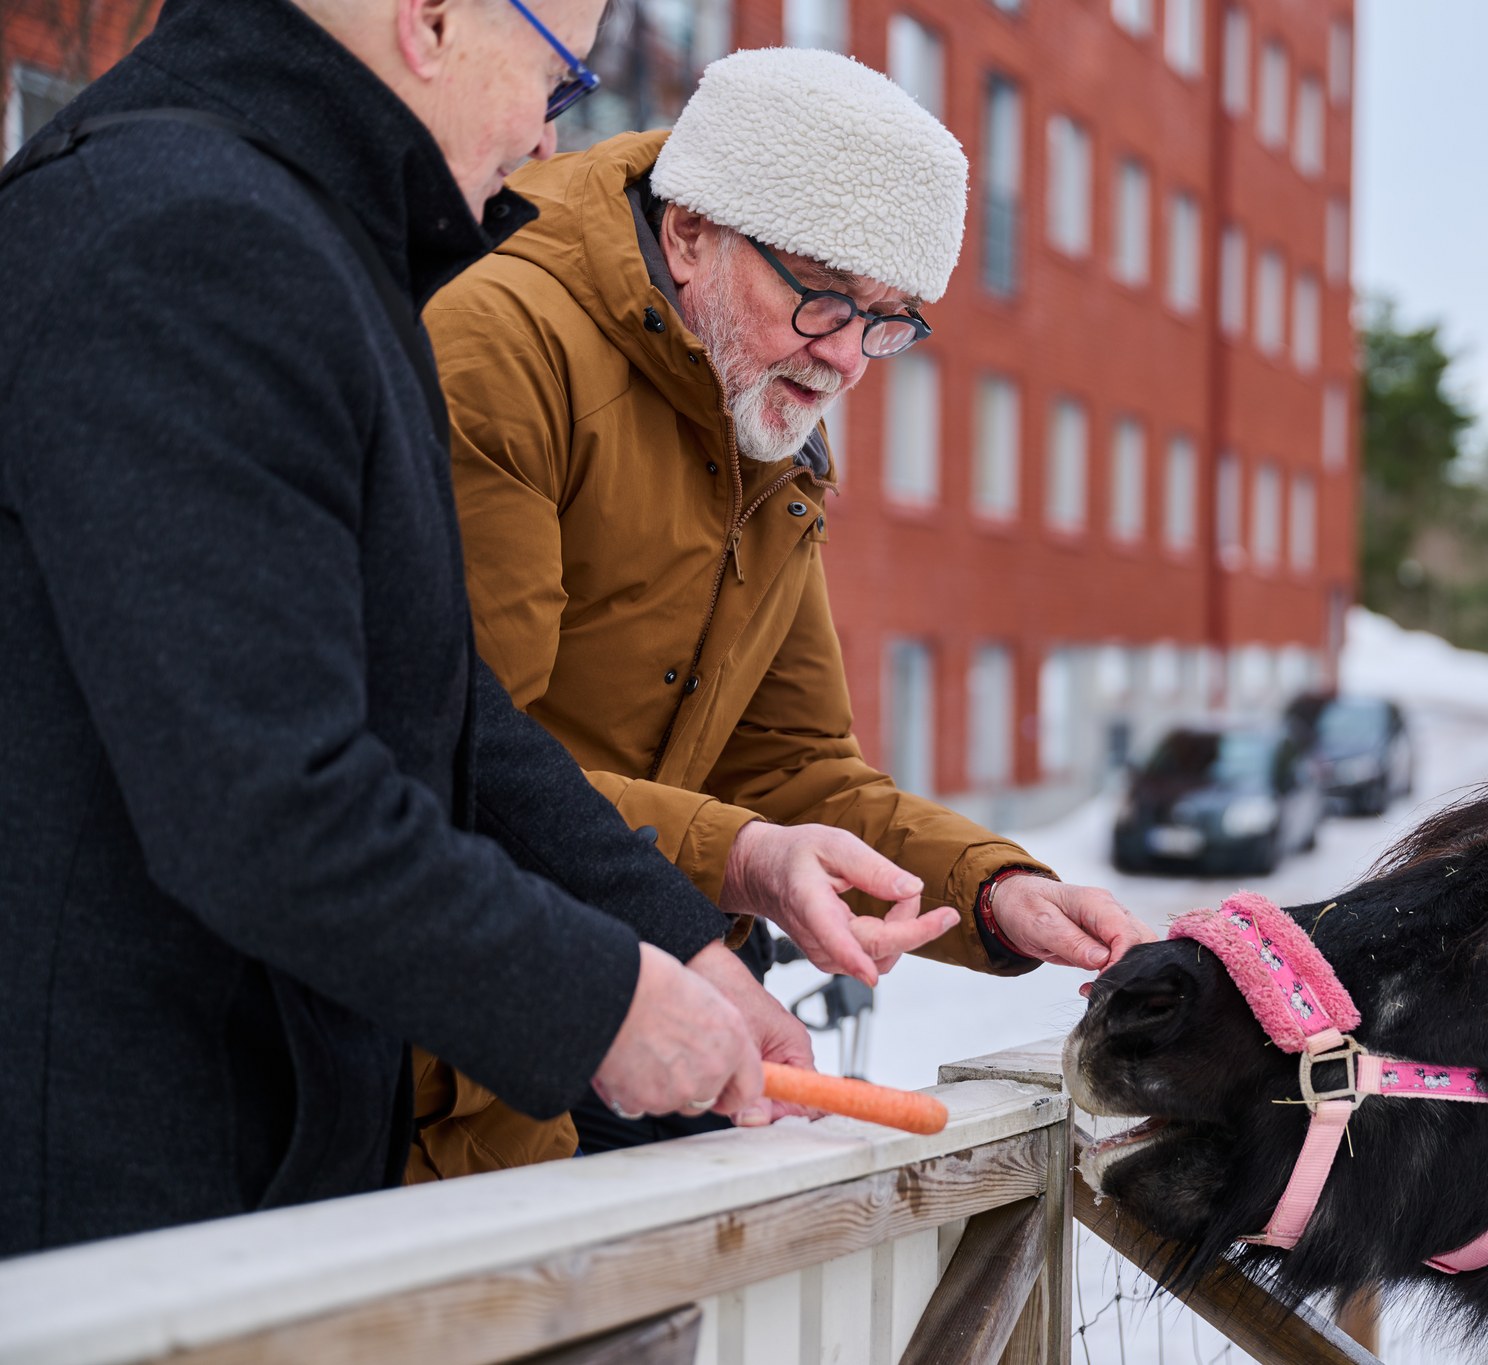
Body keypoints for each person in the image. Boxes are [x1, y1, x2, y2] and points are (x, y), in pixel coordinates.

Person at [0, 0, 806, 1255]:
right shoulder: (190, 235)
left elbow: (429, 703)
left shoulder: (291, 235)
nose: (547, 150)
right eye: (556, 86)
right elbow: (266, 801)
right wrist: (590, 1004)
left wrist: (672, 936)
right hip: (117, 1227)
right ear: (429, 19)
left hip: (234, 1197)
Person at [412, 47, 1158, 1176]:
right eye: (819, 294)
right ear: (689, 235)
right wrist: (743, 857)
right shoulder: (503, 352)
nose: (849, 357)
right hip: (470, 1023)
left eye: (890, 321)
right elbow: (455, 750)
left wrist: (995, 892)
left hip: (673, 995)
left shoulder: (760, 402)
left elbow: (792, 764)